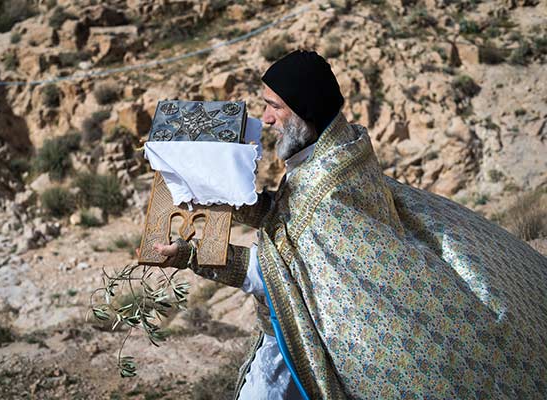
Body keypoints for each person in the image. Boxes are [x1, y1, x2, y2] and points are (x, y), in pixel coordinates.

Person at [152, 50, 547, 399]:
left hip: (310, 339)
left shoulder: (325, 196)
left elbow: (281, 275)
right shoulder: (340, 148)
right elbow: (292, 221)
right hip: (294, 331)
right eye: (265, 105)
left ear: (305, 109)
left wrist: (191, 255)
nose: (266, 118)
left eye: (276, 107)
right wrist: (234, 203)